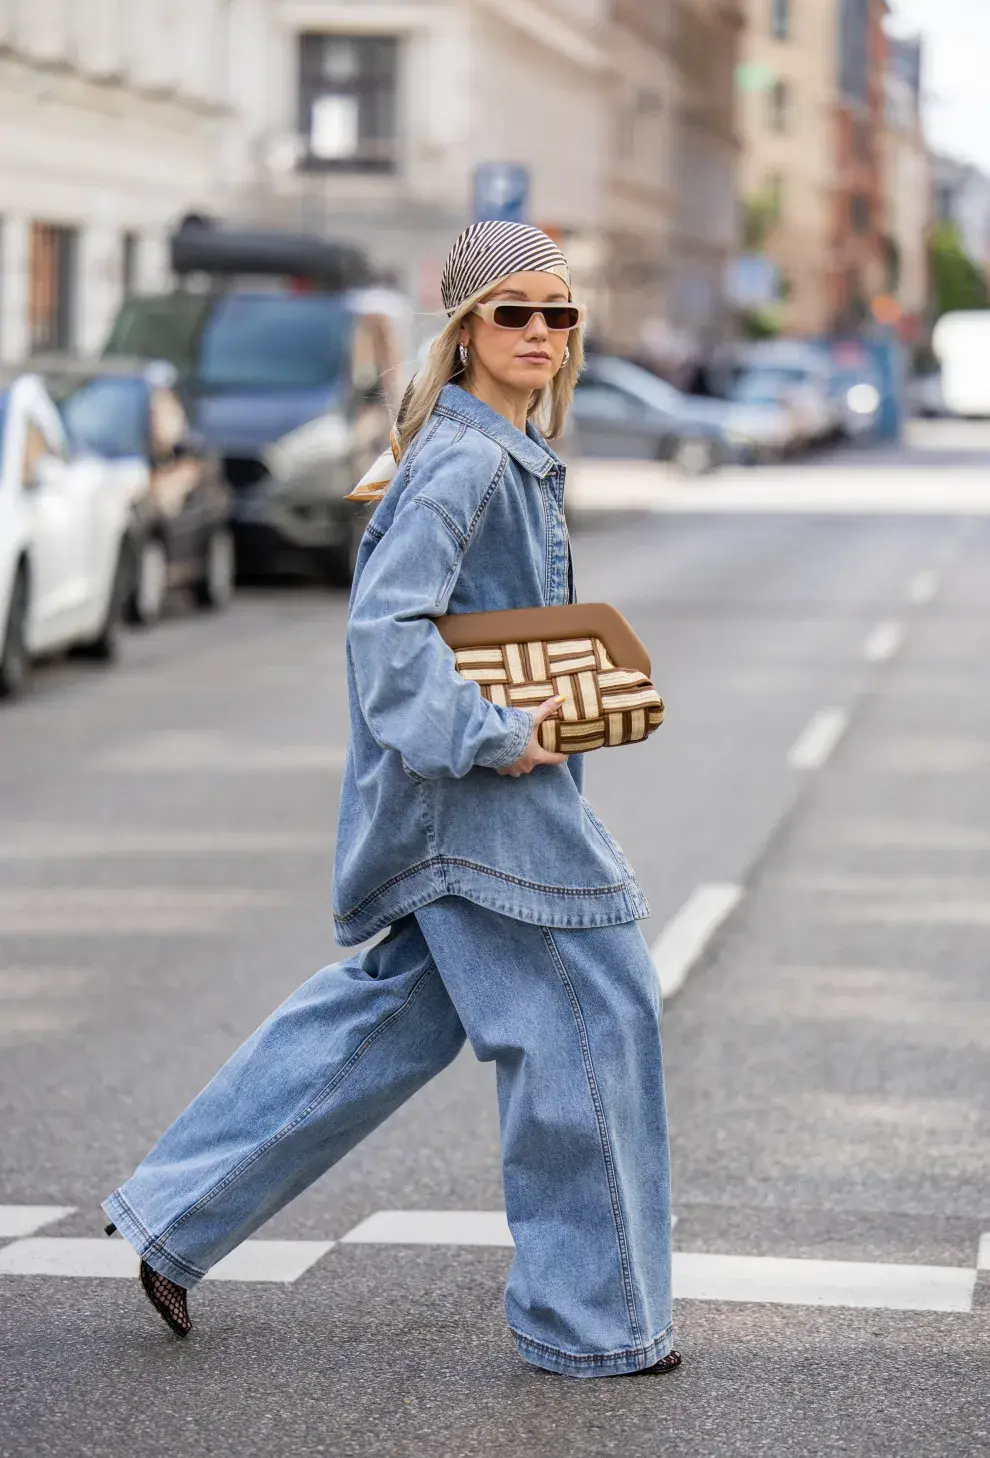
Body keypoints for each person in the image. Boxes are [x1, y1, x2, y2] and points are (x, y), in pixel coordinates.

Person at [103, 221, 678, 1380]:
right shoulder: (464, 463)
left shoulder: (493, 451)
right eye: (510, 312)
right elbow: (388, 635)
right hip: (480, 799)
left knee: (392, 1014)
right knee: (588, 1015)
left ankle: (180, 1214)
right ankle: (594, 1323)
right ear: (464, 331)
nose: (538, 333)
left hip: (459, 798)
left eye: (557, 314)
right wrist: (496, 736)